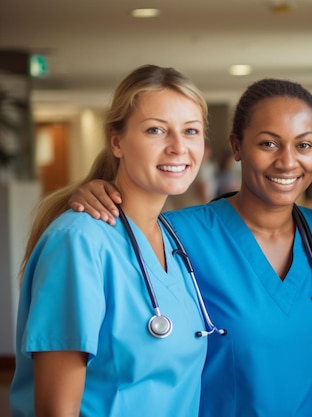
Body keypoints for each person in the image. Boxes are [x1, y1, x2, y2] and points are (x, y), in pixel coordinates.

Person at [66, 78, 312, 417]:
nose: (287, 162)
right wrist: (93, 193)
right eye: (269, 144)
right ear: (237, 147)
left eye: (303, 145)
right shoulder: (175, 235)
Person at [10, 64, 211, 416]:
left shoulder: (172, 238)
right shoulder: (80, 242)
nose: (178, 147)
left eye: (191, 131)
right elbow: (56, 410)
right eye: (156, 130)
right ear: (117, 142)